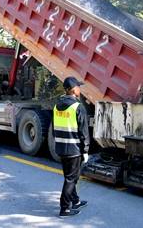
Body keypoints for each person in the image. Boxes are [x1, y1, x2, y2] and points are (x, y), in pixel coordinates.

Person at [53, 76, 90, 217]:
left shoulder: (57, 106)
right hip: (74, 150)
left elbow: (54, 129)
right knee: (71, 179)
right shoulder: (77, 107)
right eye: (78, 87)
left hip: (61, 148)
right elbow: (84, 132)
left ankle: (75, 201)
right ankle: (65, 209)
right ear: (73, 90)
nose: (80, 89)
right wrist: (85, 150)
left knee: (69, 176)